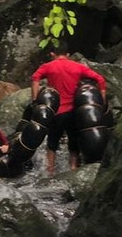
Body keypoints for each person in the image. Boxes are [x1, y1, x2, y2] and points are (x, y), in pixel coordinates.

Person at [30, 44, 108, 175]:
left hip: (56, 111)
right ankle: (73, 169)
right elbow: (100, 79)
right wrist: (102, 101)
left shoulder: (48, 66)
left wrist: (35, 99)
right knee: (73, 143)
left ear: (53, 54)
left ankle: (50, 171)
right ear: (68, 55)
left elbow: (35, 78)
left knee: (52, 143)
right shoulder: (78, 66)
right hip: (73, 112)